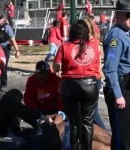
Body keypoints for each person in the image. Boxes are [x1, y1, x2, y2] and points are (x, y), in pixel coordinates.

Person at [53, 20, 99, 150]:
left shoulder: (64, 46)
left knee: (74, 122)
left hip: (70, 85)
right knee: (87, 122)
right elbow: (97, 66)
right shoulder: (94, 46)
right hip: (89, 84)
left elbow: (56, 68)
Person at [103, 0, 130, 150]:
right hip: (120, 89)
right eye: (129, 15)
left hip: (126, 87)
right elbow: (110, 69)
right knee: (122, 136)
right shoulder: (116, 37)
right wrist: (118, 95)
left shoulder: (125, 33)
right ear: (119, 16)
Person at [24, 60, 65, 125]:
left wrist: (60, 113)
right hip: (39, 109)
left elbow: (61, 98)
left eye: (44, 74)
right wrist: (38, 114)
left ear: (48, 73)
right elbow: (28, 99)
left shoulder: (56, 80)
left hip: (54, 109)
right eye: (39, 74)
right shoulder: (31, 80)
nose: (41, 76)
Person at [83, 16, 106, 130]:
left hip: (90, 78)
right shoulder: (95, 41)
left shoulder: (88, 44)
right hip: (96, 78)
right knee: (91, 111)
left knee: (93, 111)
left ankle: (105, 135)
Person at [0, 13, 20, 88]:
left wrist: (17, 50)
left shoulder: (7, 27)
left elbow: (13, 39)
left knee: (3, 66)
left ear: (3, 18)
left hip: (4, 48)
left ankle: (4, 84)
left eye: (0, 18)